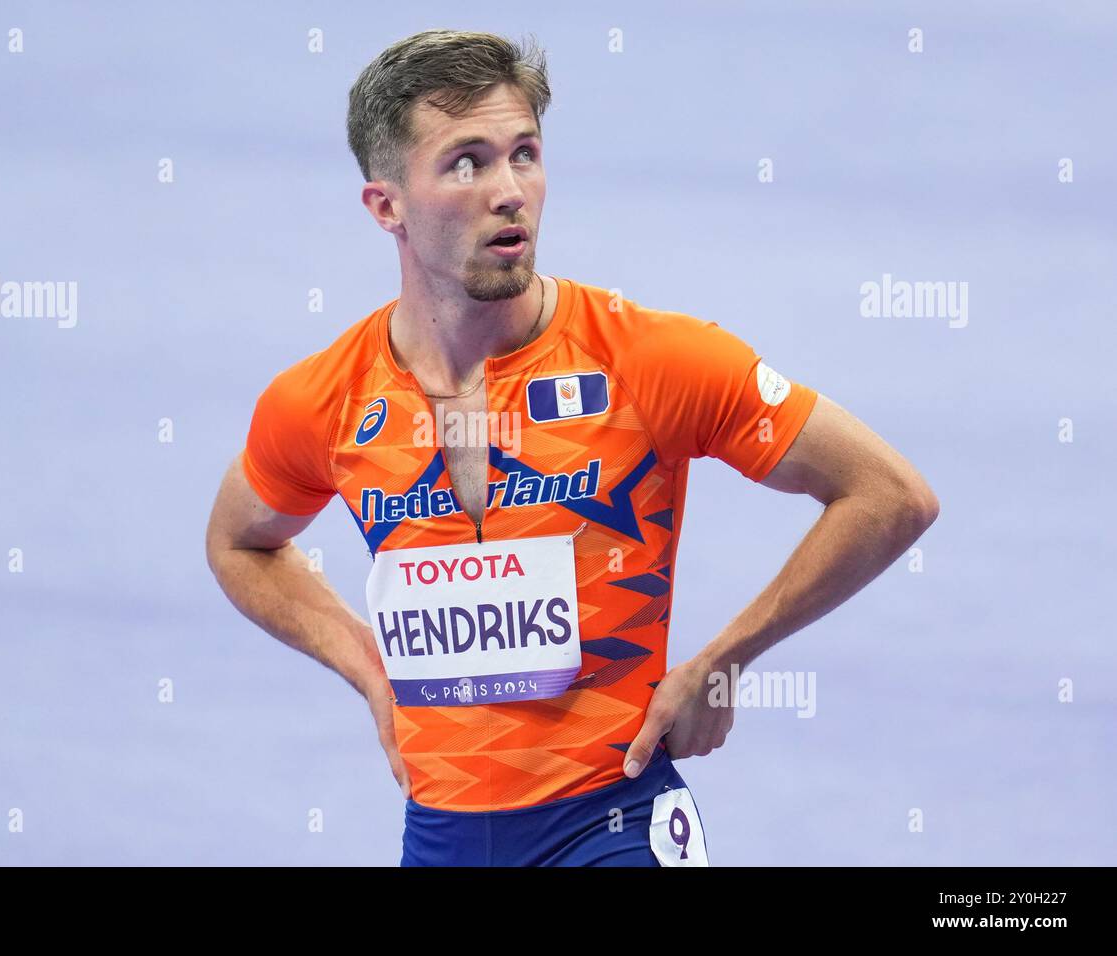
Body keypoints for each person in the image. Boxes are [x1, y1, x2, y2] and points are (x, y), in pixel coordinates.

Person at [205, 29, 939, 867]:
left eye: (526, 154)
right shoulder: (323, 400)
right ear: (387, 206)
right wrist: (368, 670)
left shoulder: (653, 360)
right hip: (439, 837)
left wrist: (727, 658)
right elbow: (238, 540)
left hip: (613, 820)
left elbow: (889, 494)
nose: (509, 191)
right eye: (466, 163)